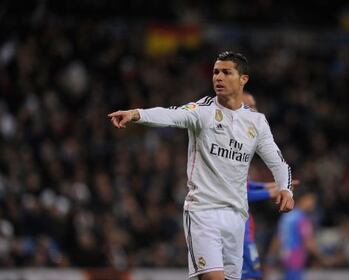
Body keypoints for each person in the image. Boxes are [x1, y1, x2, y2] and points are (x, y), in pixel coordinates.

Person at [108, 51, 294, 280]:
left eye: (227, 72)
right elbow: (171, 115)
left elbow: (278, 162)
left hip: (237, 216)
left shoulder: (256, 122)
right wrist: (137, 113)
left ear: (243, 79)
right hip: (203, 212)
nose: (218, 77)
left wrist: (286, 189)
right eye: (216, 72)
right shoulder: (203, 111)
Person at [242, 92, 299, 280]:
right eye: (250, 106)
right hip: (231, 226)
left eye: (255, 105)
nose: (256, 111)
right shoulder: (226, 145)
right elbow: (236, 191)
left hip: (243, 224)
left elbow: (245, 185)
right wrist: (272, 191)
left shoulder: (246, 146)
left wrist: (273, 187)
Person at [266, 186, 319, 280]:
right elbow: (308, 242)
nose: (313, 203)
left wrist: (270, 258)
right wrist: (323, 257)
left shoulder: (287, 216)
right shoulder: (302, 218)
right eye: (311, 199)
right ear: (303, 199)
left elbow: (278, 238)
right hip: (296, 257)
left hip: (285, 257)